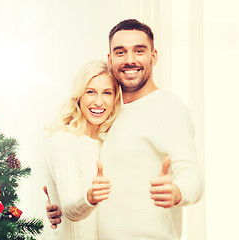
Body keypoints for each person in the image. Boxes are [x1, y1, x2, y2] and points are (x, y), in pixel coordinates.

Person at [44, 19, 204, 240]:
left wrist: (178, 192)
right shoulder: (108, 113)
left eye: (139, 51)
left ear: (154, 56)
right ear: (110, 60)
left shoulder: (168, 107)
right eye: (120, 52)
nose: (130, 60)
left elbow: (191, 172)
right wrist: (58, 204)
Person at [44, 59, 122, 240]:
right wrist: (91, 196)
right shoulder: (63, 141)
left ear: (115, 98)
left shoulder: (108, 144)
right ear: (79, 96)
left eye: (107, 93)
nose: (99, 101)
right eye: (91, 92)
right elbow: (70, 209)